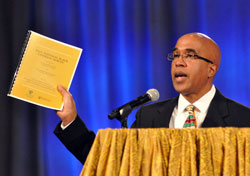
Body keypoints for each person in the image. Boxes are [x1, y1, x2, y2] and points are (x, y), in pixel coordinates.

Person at [54, 32, 250, 164]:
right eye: (175, 55)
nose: (178, 63)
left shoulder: (243, 120)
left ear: (211, 68)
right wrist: (70, 120)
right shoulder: (148, 117)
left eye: (189, 56)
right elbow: (111, 164)